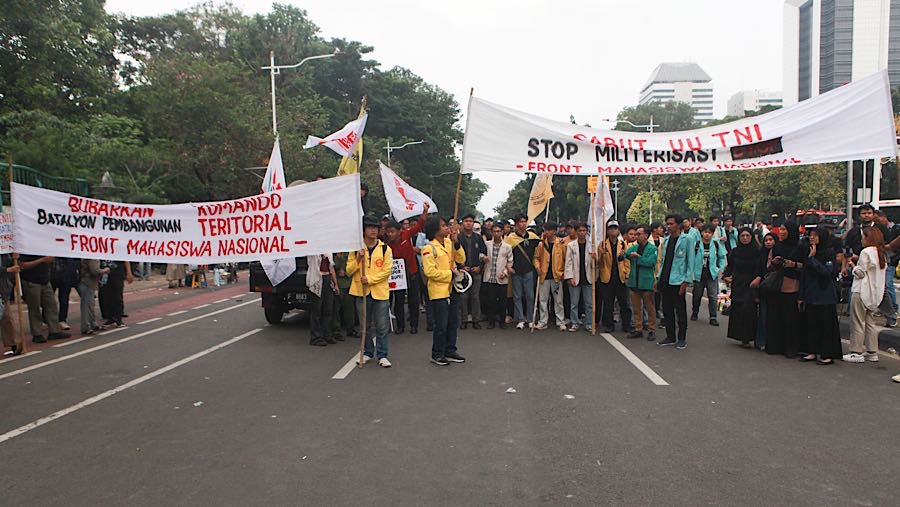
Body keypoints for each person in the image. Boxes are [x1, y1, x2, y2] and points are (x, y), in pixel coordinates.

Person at [346, 217, 393, 367]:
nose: (373, 230)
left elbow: (387, 270)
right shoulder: (356, 250)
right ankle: (367, 352)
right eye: (370, 227)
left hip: (380, 292)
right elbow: (349, 271)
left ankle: (382, 354)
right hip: (361, 292)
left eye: (376, 228)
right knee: (364, 325)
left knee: (382, 325)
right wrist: (358, 259)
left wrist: (371, 279)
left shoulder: (385, 248)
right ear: (363, 230)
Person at [422, 216, 466, 366]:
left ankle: (450, 350)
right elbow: (430, 272)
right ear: (435, 230)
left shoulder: (449, 243)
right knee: (441, 324)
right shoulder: (429, 248)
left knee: (453, 321)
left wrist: (457, 243)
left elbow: (461, 259)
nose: (447, 227)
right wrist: (450, 275)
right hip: (439, 291)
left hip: (453, 288)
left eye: (447, 225)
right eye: (443, 226)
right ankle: (437, 353)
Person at [798, 226, 842, 364]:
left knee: (826, 326)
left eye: (815, 235)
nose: (812, 238)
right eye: (811, 235)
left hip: (825, 295)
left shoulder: (828, 253)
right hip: (811, 294)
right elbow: (804, 275)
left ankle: (827, 354)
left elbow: (827, 272)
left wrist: (813, 260)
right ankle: (812, 351)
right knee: (811, 324)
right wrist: (801, 295)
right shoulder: (809, 251)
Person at [843, 226, 887, 363]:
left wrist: (852, 265)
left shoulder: (866, 252)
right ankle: (872, 351)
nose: (861, 240)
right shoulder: (881, 253)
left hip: (861, 291)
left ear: (869, 238)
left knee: (857, 322)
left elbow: (860, 273)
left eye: (863, 237)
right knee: (870, 322)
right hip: (874, 294)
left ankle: (856, 352)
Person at [384, 204, 429, 334]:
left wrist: (425, 211)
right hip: (397, 274)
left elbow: (419, 225)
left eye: (393, 232)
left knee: (413, 299)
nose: (390, 234)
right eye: (388, 232)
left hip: (412, 271)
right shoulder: (386, 244)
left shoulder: (406, 234)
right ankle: (400, 326)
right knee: (398, 301)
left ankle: (414, 325)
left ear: (399, 231)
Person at [765, 222, 805, 357]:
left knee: (790, 318)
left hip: (793, 285)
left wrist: (792, 264)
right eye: (780, 229)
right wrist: (775, 262)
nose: (781, 232)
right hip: (777, 285)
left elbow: (805, 266)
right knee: (776, 317)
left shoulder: (800, 247)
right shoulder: (777, 247)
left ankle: (791, 348)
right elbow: (768, 266)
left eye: (784, 229)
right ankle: (775, 346)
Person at [657, 214, 695, 349]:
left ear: (678, 225)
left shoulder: (687, 239)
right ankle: (670, 336)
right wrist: (659, 278)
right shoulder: (666, 240)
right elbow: (663, 261)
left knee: (680, 311)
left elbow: (690, 262)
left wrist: (686, 281)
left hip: (678, 281)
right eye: (667, 224)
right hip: (666, 279)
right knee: (667, 310)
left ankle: (682, 338)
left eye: (671, 224)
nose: (668, 226)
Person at [18, 254, 70, 343]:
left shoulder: (44, 247)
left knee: (51, 306)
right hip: (32, 281)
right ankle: (37, 333)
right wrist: (42, 260)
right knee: (35, 308)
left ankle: (54, 330)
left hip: (45, 280)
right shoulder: (27, 249)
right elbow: (22, 265)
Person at [723, 228, 759, 347]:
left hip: (751, 284)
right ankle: (739, 335)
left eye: (747, 236)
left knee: (748, 309)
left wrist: (758, 279)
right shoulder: (735, 252)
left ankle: (747, 337)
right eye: (742, 236)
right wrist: (726, 277)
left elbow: (761, 267)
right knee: (738, 310)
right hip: (738, 284)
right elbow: (730, 267)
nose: (745, 238)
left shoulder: (757, 251)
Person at [505, 214, 540, 330]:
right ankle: (520, 319)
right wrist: (508, 267)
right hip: (516, 271)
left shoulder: (533, 236)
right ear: (515, 224)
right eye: (520, 222)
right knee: (517, 296)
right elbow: (505, 254)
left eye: (524, 222)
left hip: (529, 270)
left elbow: (539, 251)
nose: (522, 224)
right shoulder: (510, 238)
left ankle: (530, 319)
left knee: (530, 296)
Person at [598, 220, 632, 333]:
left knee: (624, 303)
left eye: (615, 228)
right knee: (608, 304)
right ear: (607, 231)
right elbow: (599, 264)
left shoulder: (622, 244)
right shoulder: (603, 244)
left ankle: (626, 324)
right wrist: (601, 255)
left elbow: (626, 261)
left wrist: (627, 274)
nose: (613, 231)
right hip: (607, 278)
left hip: (620, 277)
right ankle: (609, 325)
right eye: (611, 229)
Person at [625, 225, 657, 340]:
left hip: (646, 282)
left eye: (639, 234)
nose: (637, 236)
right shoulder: (634, 247)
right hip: (634, 281)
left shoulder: (652, 248)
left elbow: (650, 262)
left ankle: (651, 329)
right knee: (636, 308)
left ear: (646, 235)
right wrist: (629, 255)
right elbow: (625, 254)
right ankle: (638, 328)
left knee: (650, 307)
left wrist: (638, 257)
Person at [691, 224, 727, 326]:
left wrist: (719, 269)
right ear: (702, 233)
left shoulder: (715, 244)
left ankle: (713, 317)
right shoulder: (696, 245)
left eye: (709, 232)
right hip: (699, 274)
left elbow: (722, 257)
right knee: (697, 295)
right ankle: (695, 312)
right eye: (705, 232)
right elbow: (691, 259)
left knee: (713, 297)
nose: (707, 234)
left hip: (712, 274)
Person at [534, 222, 566, 331]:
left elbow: (565, 259)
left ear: (554, 231)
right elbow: (536, 258)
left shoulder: (561, 244)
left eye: (549, 230)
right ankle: (543, 321)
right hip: (544, 275)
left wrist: (563, 273)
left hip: (557, 276)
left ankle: (560, 321)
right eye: (545, 230)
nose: (546, 232)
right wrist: (537, 267)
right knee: (543, 300)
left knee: (558, 300)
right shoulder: (541, 244)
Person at [457, 213, 487, 330]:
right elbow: (453, 254)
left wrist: (480, 266)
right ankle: (464, 320)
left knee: (475, 296)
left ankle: (476, 320)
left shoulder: (478, 238)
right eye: (466, 221)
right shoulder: (458, 238)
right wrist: (461, 266)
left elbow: (483, 253)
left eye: (470, 221)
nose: (468, 223)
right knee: (463, 297)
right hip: (462, 272)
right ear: (462, 223)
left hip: (476, 271)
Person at [564, 223, 594, 332]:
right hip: (575, 277)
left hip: (588, 277)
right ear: (576, 232)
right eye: (580, 231)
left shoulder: (592, 245)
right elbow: (568, 262)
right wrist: (569, 277)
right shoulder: (571, 245)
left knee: (589, 304)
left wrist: (595, 257)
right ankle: (575, 322)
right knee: (574, 303)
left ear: (587, 232)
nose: (582, 233)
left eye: (584, 231)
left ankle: (589, 323)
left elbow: (596, 264)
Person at [482, 224, 511, 329]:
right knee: (490, 301)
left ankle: (502, 322)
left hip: (501, 277)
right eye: (494, 231)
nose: (496, 233)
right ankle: (491, 321)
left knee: (503, 301)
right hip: (490, 276)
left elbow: (510, 262)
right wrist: (483, 257)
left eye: (498, 231)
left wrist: (505, 272)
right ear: (491, 232)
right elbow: (480, 254)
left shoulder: (507, 247)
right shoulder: (487, 244)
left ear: (502, 232)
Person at [307, 252, 338, 347]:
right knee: (316, 311)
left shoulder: (328, 252)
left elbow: (331, 267)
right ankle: (316, 337)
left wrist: (335, 284)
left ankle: (327, 334)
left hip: (327, 279)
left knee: (328, 309)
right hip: (317, 279)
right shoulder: (313, 252)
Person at [753, 232, 778, 351]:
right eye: (766, 240)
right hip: (763, 288)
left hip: (777, 289)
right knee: (763, 315)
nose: (768, 242)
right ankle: (761, 341)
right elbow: (758, 271)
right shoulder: (760, 254)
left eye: (771, 240)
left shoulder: (779, 254)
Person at [78, 258, 108, 335]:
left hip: (88, 283)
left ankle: (92, 323)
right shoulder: (92, 258)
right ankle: (86, 326)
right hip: (87, 283)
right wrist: (104, 270)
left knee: (90, 305)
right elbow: (94, 271)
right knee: (86, 306)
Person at [332, 251, 358, 339]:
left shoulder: (350, 253)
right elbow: (333, 267)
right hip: (337, 283)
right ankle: (336, 331)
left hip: (348, 283)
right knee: (336, 309)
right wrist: (338, 256)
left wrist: (346, 273)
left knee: (350, 308)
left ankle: (350, 329)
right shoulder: (334, 255)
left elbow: (354, 265)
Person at [50, 257, 80, 331]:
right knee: (49, 300)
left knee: (64, 300)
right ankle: (46, 319)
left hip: (66, 276)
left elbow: (76, 260)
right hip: (52, 275)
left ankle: (62, 319)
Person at [650, 222, 665, 323]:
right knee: (651, 293)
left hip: (661, 268)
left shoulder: (664, 240)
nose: (662, 230)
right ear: (654, 229)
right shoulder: (648, 240)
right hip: (651, 269)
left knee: (660, 292)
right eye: (660, 228)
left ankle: (658, 310)